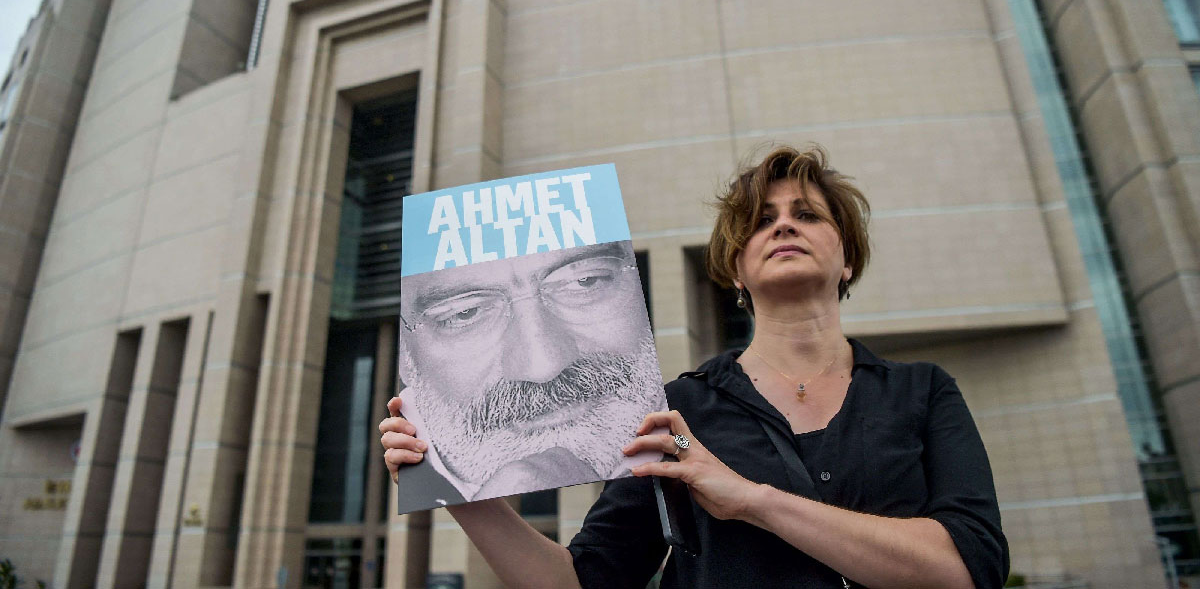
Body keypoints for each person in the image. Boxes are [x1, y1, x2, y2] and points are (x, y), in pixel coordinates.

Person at [382, 145, 1008, 588]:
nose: (783, 224)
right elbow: (584, 583)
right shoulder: (673, 410)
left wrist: (750, 499)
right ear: (735, 269)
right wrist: (458, 493)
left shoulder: (921, 391)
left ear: (848, 258)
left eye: (808, 215)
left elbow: (967, 568)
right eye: (762, 221)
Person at [396, 239, 667, 511]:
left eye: (585, 281)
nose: (543, 368)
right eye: (464, 313)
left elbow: (684, 439)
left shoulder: (685, 407)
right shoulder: (413, 460)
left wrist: (686, 447)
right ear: (405, 357)